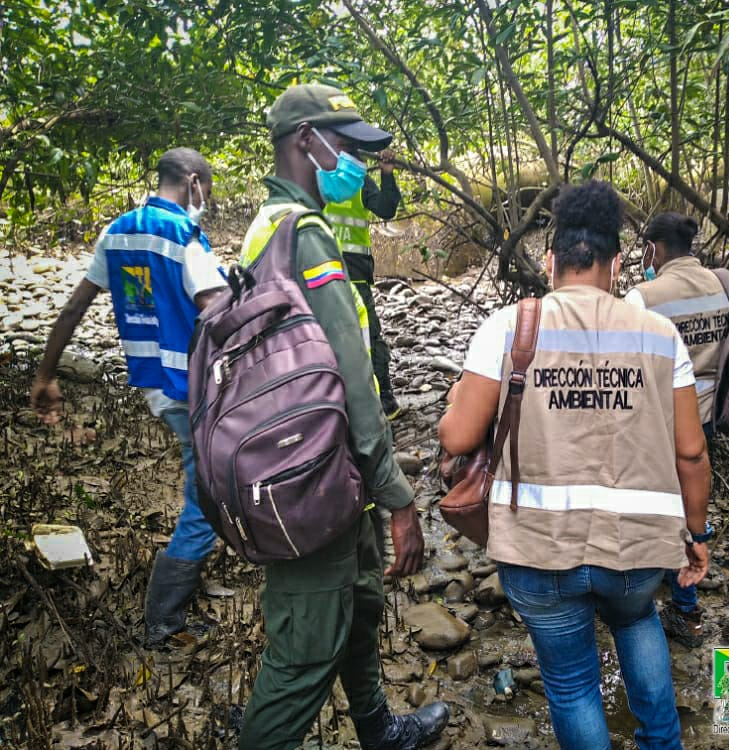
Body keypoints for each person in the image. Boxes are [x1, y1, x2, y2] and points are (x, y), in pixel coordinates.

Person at [439, 180, 712, 750]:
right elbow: (691, 451)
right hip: (637, 547)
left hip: (539, 549)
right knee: (638, 622)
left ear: (549, 261)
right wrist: (695, 531)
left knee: (570, 686)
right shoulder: (661, 337)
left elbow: (459, 435)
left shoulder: (509, 328)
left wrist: (456, 405)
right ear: (616, 266)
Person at [236, 83, 448, 750]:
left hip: (314, 463)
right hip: (315, 474)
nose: (352, 160)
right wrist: (397, 496)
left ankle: (379, 728)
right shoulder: (306, 237)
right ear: (307, 141)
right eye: (346, 146)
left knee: (359, 606)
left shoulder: (269, 224)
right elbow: (353, 378)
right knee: (301, 657)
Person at [29, 148, 226, 646]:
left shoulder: (116, 231)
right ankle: (163, 620)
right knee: (204, 502)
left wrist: (46, 376)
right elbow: (218, 312)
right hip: (196, 388)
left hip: (156, 387)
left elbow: (76, 305)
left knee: (203, 485)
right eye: (208, 187)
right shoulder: (185, 235)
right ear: (193, 181)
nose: (209, 197)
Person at [624, 212, 728, 649]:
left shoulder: (642, 297)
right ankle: (685, 599)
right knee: (693, 507)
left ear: (654, 249)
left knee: (661, 513)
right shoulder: (723, 284)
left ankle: (680, 609)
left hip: (661, 422)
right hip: (709, 416)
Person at [319, 87, 403, 419]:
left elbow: (385, 209)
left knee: (370, 335)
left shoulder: (356, 179)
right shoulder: (312, 178)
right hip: (324, 269)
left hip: (354, 270)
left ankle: (383, 402)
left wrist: (386, 174)